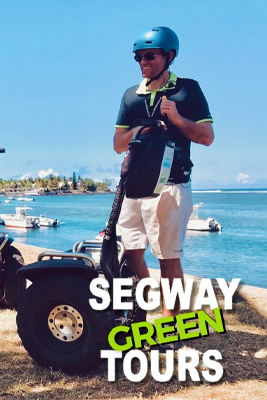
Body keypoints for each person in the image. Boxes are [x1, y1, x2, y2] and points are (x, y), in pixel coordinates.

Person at [113, 27, 214, 348]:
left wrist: (177, 117)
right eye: (138, 57)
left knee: (168, 258)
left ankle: (173, 329)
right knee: (130, 254)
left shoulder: (188, 90)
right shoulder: (131, 95)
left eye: (149, 56)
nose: (142, 62)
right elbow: (117, 144)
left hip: (172, 185)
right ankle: (154, 304)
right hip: (134, 186)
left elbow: (206, 137)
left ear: (169, 56)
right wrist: (141, 129)